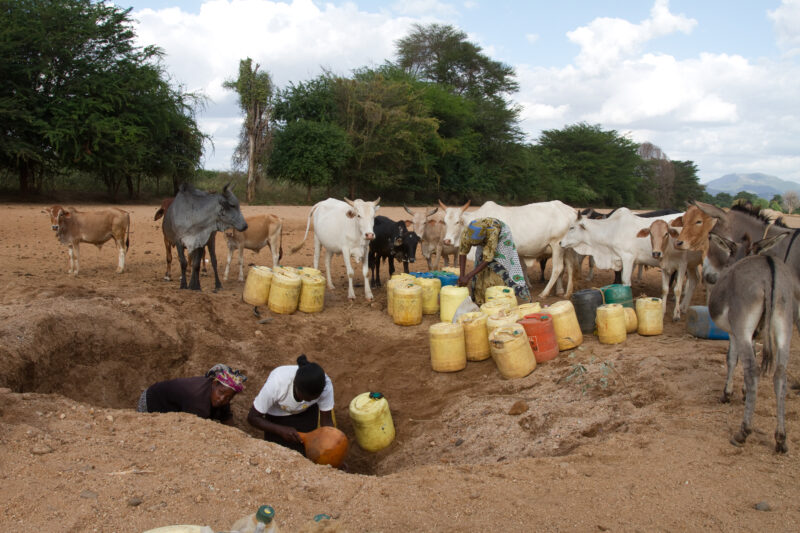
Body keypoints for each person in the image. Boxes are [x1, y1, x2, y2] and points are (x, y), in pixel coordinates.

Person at [247, 354, 334, 456]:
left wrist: (333, 453)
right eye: (307, 398)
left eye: (314, 398)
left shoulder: (325, 385)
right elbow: (252, 417)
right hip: (277, 417)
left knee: (304, 453)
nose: (309, 400)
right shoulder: (277, 383)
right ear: (296, 386)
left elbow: (327, 423)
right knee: (276, 454)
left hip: (306, 413)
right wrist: (280, 430)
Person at [136, 364, 246, 426]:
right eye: (221, 393)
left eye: (228, 398)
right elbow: (194, 428)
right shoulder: (197, 400)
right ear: (214, 383)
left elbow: (226, 417)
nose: (222, 399)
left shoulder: (221, 394)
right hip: (152, 401)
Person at [457, 217, 531, 305]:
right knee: (479, 261)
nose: (475, 246)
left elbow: (488, 259)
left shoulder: (493, 232)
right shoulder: (467, 233)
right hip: (483, 237)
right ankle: (480, 297)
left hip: (502, 237)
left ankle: (500, 298)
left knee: (499, 264)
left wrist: (468, 276)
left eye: (476, 244)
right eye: (473, 244)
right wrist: (462, 276)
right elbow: (462, 253)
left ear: (483, 238)